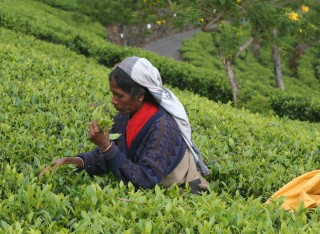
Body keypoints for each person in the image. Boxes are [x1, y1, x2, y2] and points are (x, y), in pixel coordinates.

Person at [40, 56, 209, 194]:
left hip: (182, 191)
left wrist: (106, 146)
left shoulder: (162, 127)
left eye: (119, 95)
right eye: (113, 94)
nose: (113, 101)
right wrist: (73, 162)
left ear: (140, 95)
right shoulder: (125, 115)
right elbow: (108, 157)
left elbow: (144, 181)